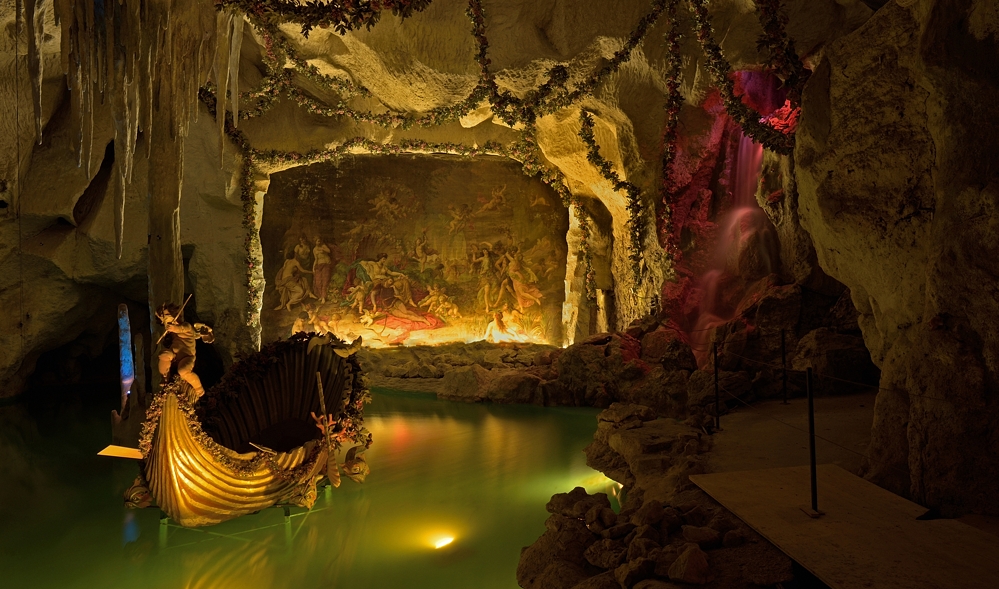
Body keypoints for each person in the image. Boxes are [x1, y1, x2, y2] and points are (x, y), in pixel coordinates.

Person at [156, 303, 214, 400]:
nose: (167, 321)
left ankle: (199, 390)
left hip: (187, 356)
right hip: (174, 355)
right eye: (164, 319)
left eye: (168, 316)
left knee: (183, 371)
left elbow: (182, 329)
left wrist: (174, 328)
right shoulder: (171, 332)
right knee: (164, 355)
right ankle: (165, 376)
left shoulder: (186, 325)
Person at [313, 237, 333, 304]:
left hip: (326, 264)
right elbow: (316, 259)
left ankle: (324, 297)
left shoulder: (323, 246)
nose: (318, 242)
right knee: (318, 282)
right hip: (318, 266)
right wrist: (313, 268)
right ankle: (321, 296)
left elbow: (329, 251)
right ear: (315, 242)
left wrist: (323, 249)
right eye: (317, 241)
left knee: (325, 281)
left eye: (319, 241)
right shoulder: (314, 249)